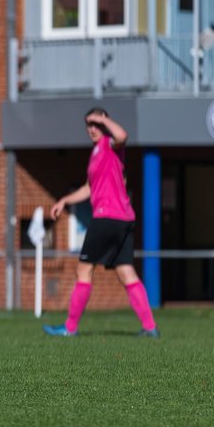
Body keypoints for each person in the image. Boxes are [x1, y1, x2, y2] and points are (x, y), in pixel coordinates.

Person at [43, 107, 159, 338]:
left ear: (105, 125)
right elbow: (88, 188)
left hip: (107, 218)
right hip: (123, 220)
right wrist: (64, 200)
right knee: (127, 272)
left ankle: (69, 328)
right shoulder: (96, 153)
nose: (93, 128)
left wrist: (104, 120)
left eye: (97, 124)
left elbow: (123, 136)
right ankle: (150, 327)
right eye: (90, 124)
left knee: (83, 271)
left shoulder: (110, 144)